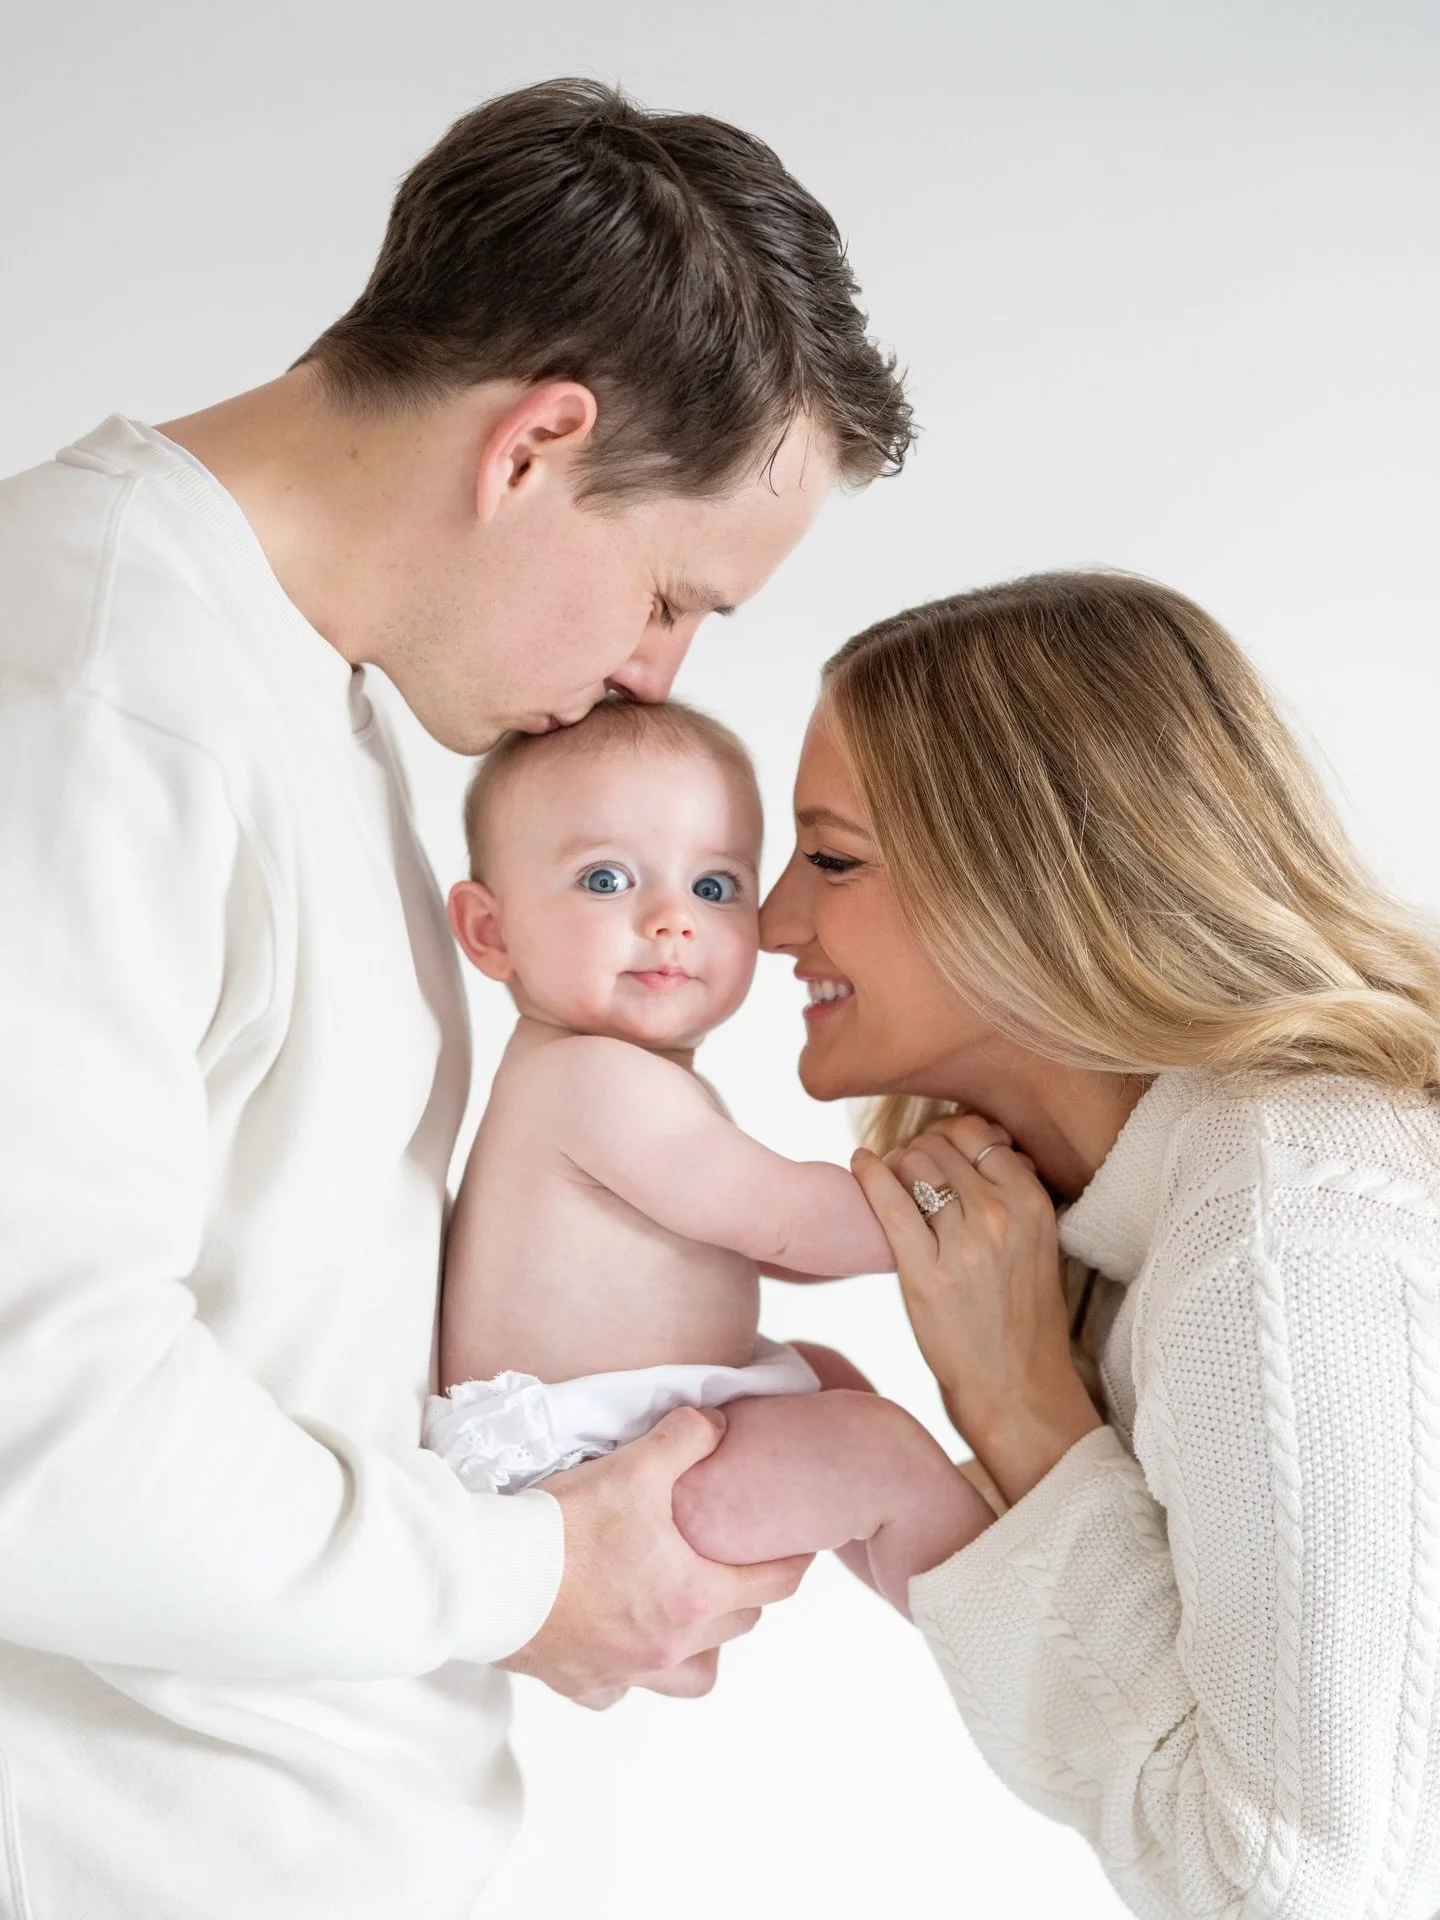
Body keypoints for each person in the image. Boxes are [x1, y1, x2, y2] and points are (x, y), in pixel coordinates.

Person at [0, 79, 911, 1920]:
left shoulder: (281, 678)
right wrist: (527, 1577)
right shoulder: (96, 689)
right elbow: (35, 1411)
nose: (653, 677)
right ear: (536, 446)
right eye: (672, 596)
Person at [761, 569, 1440, 1919]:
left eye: (832, 857)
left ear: (1031, 879)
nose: (775, 918)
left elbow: (1305, 1891)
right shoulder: (1158, 1217)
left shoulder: (1287, 1240)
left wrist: (1020, 1415)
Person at [424, 697, 990, 1673]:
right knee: (872, 1449)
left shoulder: (614, 1079)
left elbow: (759, 1244)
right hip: (590, 1481)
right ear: (491, 932)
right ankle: (1020, 1631)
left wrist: (860, 1235)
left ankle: (959, 1564)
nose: (673, 919)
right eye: (607, 879)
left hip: (631, 1430)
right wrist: (962, 1189)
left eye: (717, 884)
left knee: (829, 1384)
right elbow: (785, 1222)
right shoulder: (590, 1082)